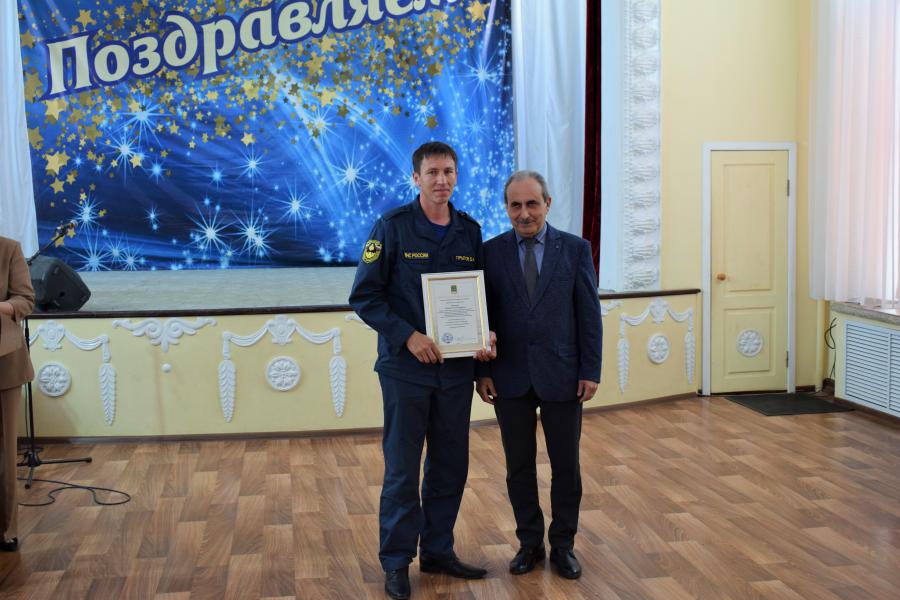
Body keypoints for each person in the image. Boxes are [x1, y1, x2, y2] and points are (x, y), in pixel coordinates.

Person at [349, 141, 496, 600]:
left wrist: (484, 340)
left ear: (457, 175)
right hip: (405, 370)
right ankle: (396, 562)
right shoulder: (392, 227)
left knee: (450, 465)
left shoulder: (469, 232)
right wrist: (408, 336)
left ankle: (437, 551)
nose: (441, 180)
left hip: (456, 373)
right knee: (402, 469)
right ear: (416, 178)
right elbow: (365, 296)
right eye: (431, 172)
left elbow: (480, 298)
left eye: (448, 171)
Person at [476, 170, 602, 579]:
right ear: (506, 208)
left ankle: (563, 545)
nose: (524, 213)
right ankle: (529, 544)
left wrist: (590, 370)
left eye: (532, 203)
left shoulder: (576, 250)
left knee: (566, 466)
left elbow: (589, 315)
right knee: (519, 467)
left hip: (563, 375)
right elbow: (483, 318)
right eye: (515, 205)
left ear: (548, 203)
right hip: (508, 377)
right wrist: (483, 371)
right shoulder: (490, 253)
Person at [0, 236, 35, 553]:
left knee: (4, 454)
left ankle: (5, 530)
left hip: (5, 364)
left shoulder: (8, 249)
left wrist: (2, 307)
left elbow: (25, 300)